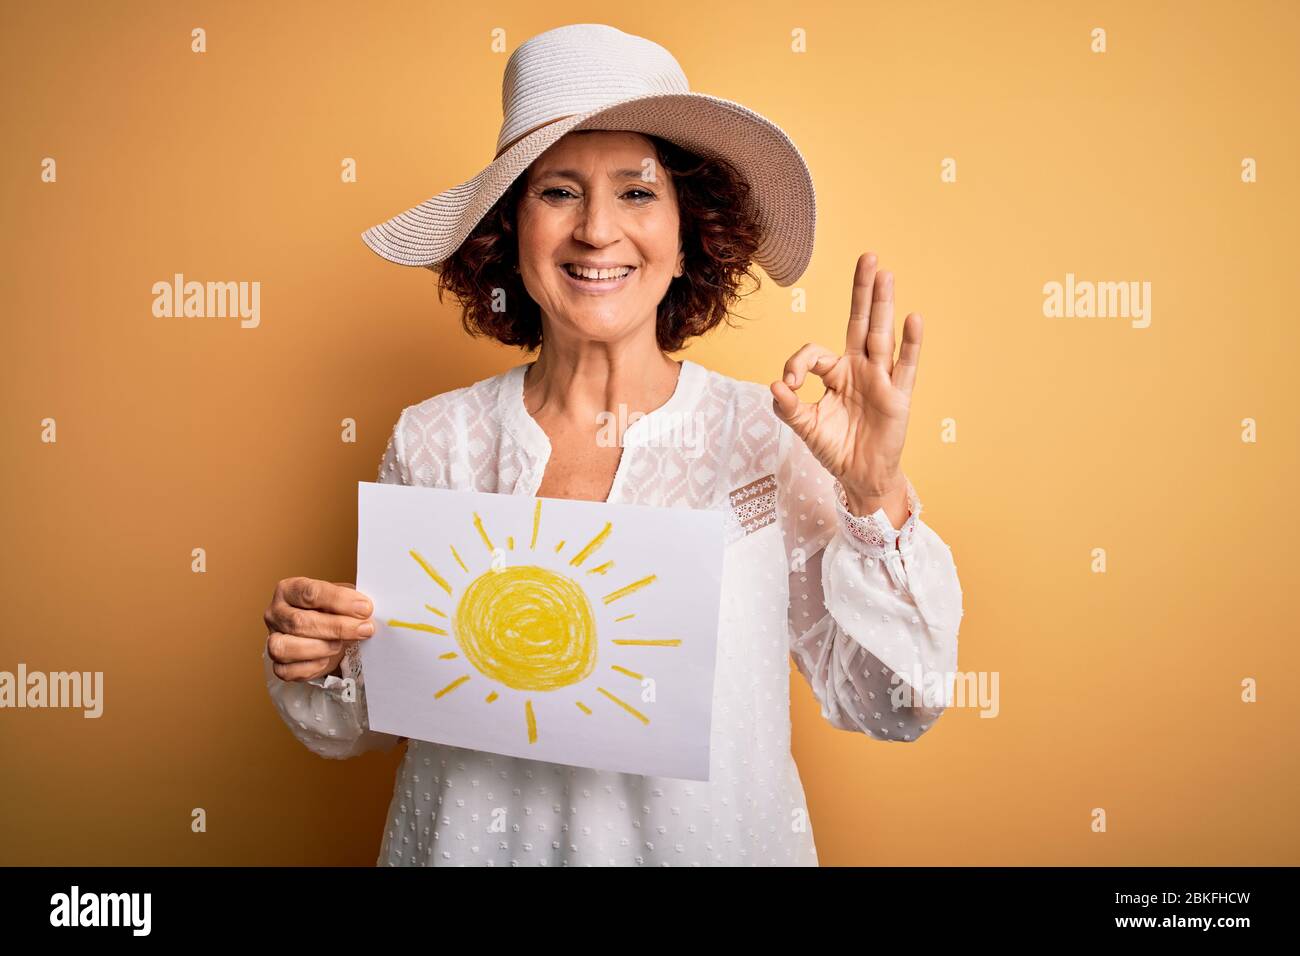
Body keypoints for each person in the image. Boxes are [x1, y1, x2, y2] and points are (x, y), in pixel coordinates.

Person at [262, 23, 962, 866]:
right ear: (511, 229)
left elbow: (893, 703)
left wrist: (872, 492)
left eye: (637, 193)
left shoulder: (770, 441)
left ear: (685, 233)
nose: (597, 231)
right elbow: (367, 720)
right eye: (558, 192)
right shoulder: (434, 440)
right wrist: (320, 654)